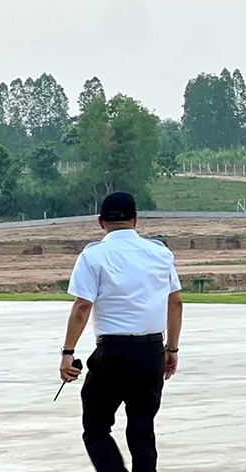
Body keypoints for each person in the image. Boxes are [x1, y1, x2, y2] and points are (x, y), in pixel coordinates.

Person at [59, 192, 183, 472]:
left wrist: (68, 353)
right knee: (142, 428)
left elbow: (82, 306)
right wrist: (171, 349)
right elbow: (175, 302)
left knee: (96, 426)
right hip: (151, 351)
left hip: (112, 354)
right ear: (136, 220)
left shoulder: (93, 256)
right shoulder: (159, 252)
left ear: (100, 222)